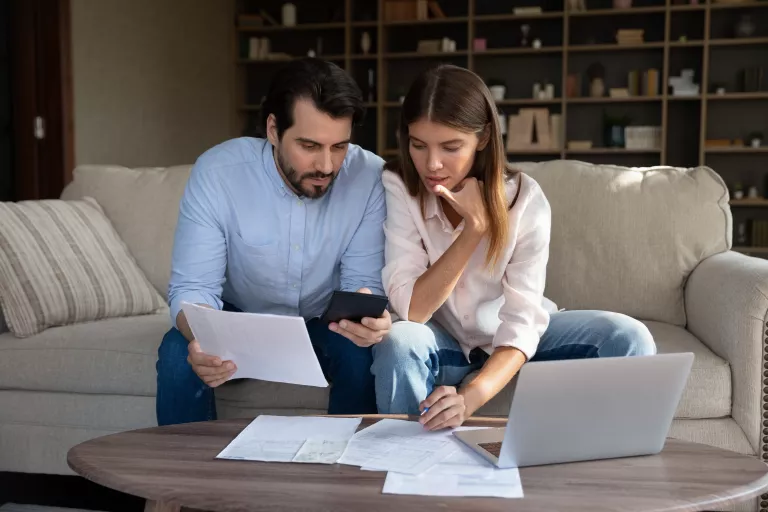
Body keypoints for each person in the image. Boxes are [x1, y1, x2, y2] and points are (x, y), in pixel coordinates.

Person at [371, 65, 656, 431]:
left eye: (451, 146)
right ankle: (405, 470)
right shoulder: (399, 186)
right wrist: (473, 230)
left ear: (484, 137)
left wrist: (470, 397)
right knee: (399, 340)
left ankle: (615, 474)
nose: (432, 164)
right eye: (418, 145)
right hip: (442, 343)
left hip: (510, 341)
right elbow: (412, 309)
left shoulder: (525, 199)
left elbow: (522, 324)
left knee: (628, 337)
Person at [156, 58, 392, 426]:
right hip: (237, 318)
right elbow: (193, 288)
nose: (327, 166)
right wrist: (203, 337)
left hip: (321, 321)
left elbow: (361, 284)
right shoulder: (218, 174)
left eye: (339, 146)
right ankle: (185, 480)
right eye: (309, 145)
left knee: (360, 356)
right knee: (177, 353)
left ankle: (348, 475)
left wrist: (368, 317)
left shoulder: (369, 177)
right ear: (272, 129)